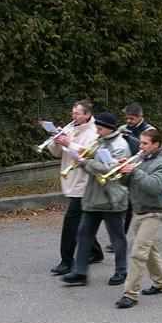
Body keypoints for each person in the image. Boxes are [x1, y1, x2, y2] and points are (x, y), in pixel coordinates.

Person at [61, 112, 131, 286]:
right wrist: (83, 160)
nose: (97, 131)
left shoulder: (120, 145)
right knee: (84, 234)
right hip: (93, 197)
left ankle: (121, 271)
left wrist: (84, 162)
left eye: (100, 128)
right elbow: (94, 163)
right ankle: (80, 272)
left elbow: (107, 170)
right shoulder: (100, 141)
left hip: (112, 199)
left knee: (117, 238)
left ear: (109, 128)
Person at [115, 129, 162, 309]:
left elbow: (155, 186)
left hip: (154, 212)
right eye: (140, 143)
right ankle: (161, 281)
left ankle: (130, 294)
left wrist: (135, 171)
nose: (140, 146)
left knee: (138, 252)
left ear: (156, 144)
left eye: (145, 143)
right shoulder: (141, 158)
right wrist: (123, 171)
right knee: (149, 249)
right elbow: (126, 183)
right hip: (138, 211)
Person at [49, 100, 103, 276]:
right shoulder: (71, 127)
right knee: (83, 221)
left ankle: (66, 261)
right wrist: (56, 140)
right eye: (73, 114)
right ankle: (95, 252)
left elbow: (90, 152)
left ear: (87, 114)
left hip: (85, 182)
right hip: (72, 179)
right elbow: (56, 153)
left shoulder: (95, 131)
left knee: (70, 223)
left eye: (77, 114)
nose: (73, 117)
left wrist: (68, 142)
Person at [118, 103, 156, 245]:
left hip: (143, 170)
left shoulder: (150, 130)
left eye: (132, 118)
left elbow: (153, 151)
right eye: (127, 118)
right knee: (126, 205)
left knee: (145, 205)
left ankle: (146, 234)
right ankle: (121, 237)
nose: (128, 121)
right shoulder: (123, 129)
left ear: (140, 117)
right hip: (128, 170)